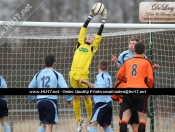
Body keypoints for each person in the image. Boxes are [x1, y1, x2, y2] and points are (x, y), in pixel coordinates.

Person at [69, 7, 107, 132]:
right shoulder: (80, 43)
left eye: (91, 37)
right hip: (73, 72)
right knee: (75, 96)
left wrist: (103, 21)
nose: (90, 37)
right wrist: (89, 18)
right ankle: (78, 121)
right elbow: (83, 30)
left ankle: (91, 119)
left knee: (86, 96)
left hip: (82, 74)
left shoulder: (92, 48)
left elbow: (99, 35)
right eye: (88, 37)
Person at [111, 37, 158, 118]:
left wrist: (152, 68)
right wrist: (115, 63)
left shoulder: (144, 57)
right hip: (126, 82)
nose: (131, 45)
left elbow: (146, 70)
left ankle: (145, 108)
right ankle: (125, 125)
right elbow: (117, 68)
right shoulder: (124, 54)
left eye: (133, 44)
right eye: (130, 44)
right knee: (126, 106)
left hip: (139, 82)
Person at [28, 54, 72, 132]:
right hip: (50, 102)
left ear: (44, 63)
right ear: (54, 63)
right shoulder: (57, 74)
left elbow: (30, 88)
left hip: (40, 102)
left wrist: (32, 98)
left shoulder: (38, 74)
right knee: (49, 125)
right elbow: (65, 88)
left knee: (43, 124)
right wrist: (69, 99)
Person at [117, 42, 154, 132]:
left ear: (135, 50)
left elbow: (119, 75)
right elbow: (150, 79)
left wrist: (126, 81)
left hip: (128, 90)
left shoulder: (128, 62)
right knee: (142, 119)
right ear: (144, 51)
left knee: (125, 118)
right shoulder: (147, 62)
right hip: (141, 90)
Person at [79, 59, 113, 132]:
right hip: (108, 103)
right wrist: (86, 83)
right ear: (107, 67)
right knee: (105, 126)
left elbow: (101, 88)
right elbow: (97, 86)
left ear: (98, 66)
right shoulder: (108, 76)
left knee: (92, 125)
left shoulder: (100, 76)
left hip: (101, 103)